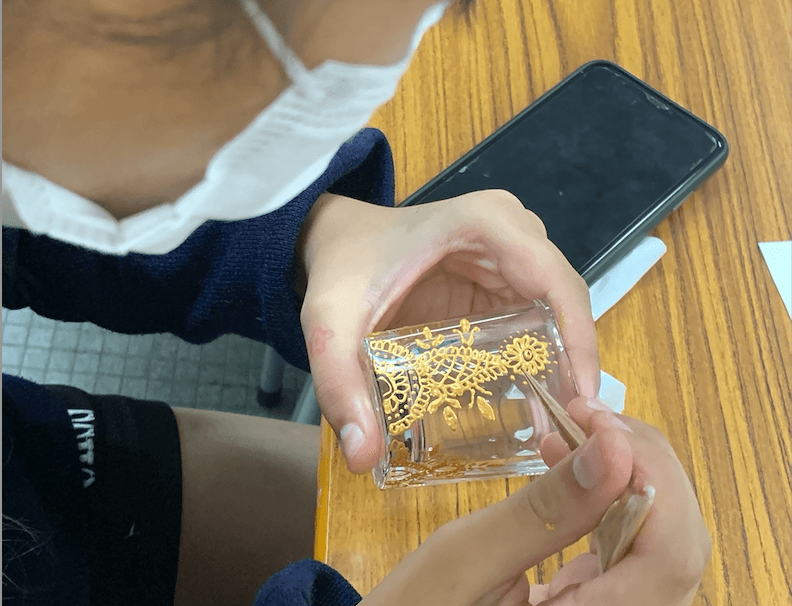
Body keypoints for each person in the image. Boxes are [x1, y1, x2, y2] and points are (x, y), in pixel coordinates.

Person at [1, 0, 710, 605]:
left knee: (350, 512)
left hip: (42, 473)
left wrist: (312, 234)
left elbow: (60, 197)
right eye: (248, 122)